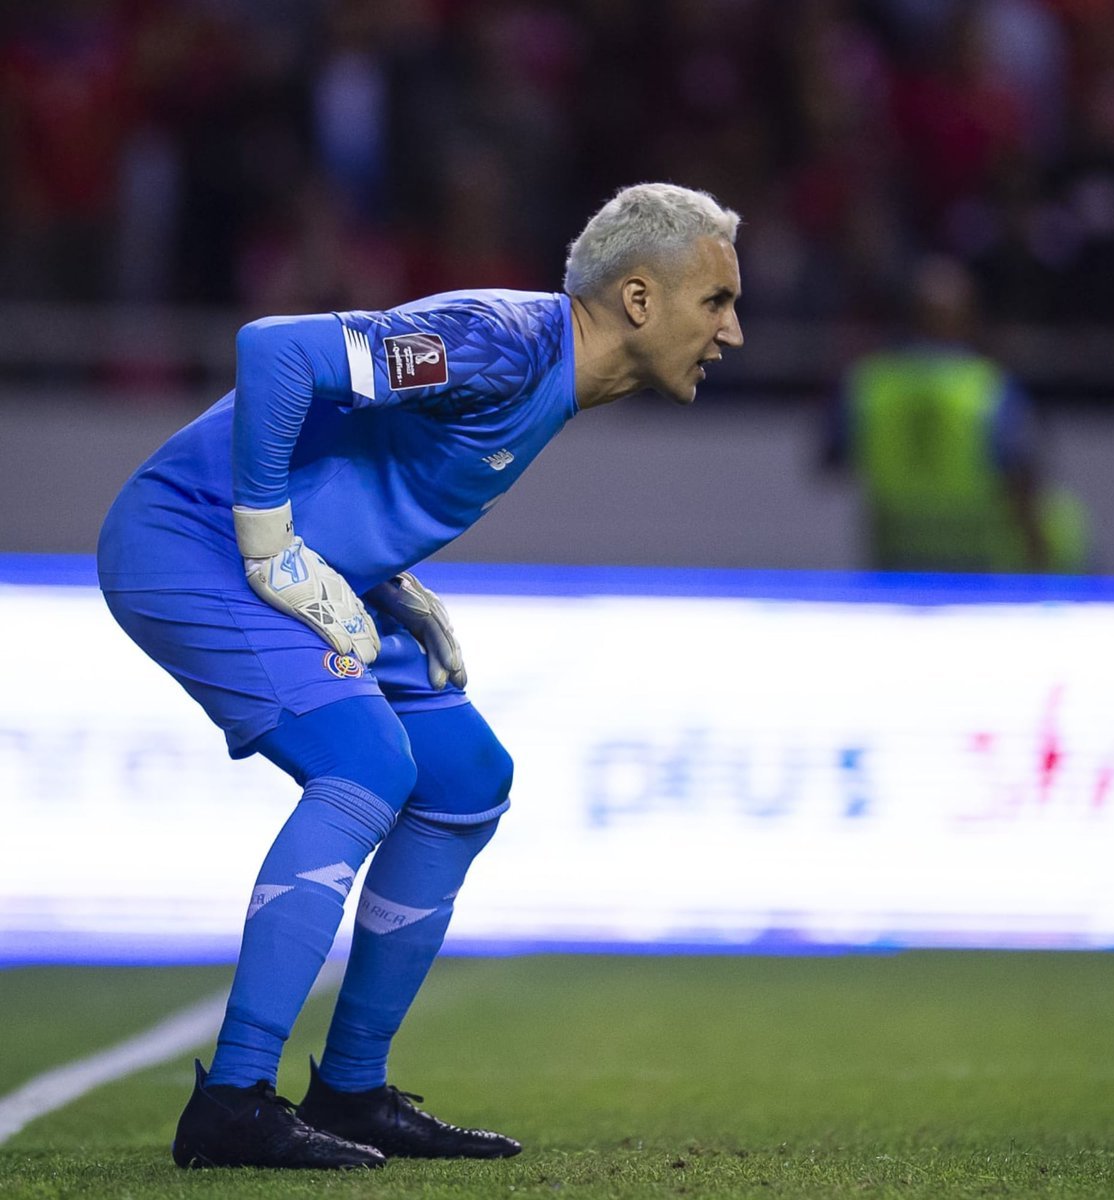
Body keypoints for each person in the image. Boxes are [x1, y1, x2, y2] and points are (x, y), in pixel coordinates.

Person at [97, 182, 743, 1170]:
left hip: (315, 567)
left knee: (462, 779)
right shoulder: (502, 343)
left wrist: (390, 583)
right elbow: (278, 349)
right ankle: (232, 1100)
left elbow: (365, 457)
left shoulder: (548, 374)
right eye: (717, 303)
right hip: (189, 544)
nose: (733, 332)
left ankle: (352, 1089)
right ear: (641, 301)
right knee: (366, 765)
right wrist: (270, 540)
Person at [822, 254, 1089, 573]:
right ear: (970, 320)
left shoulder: (868, 385)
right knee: (1068, 522)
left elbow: (831, 461)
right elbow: (1022, 485)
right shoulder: (990, 391)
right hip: (977, 562)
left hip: (896, 554)